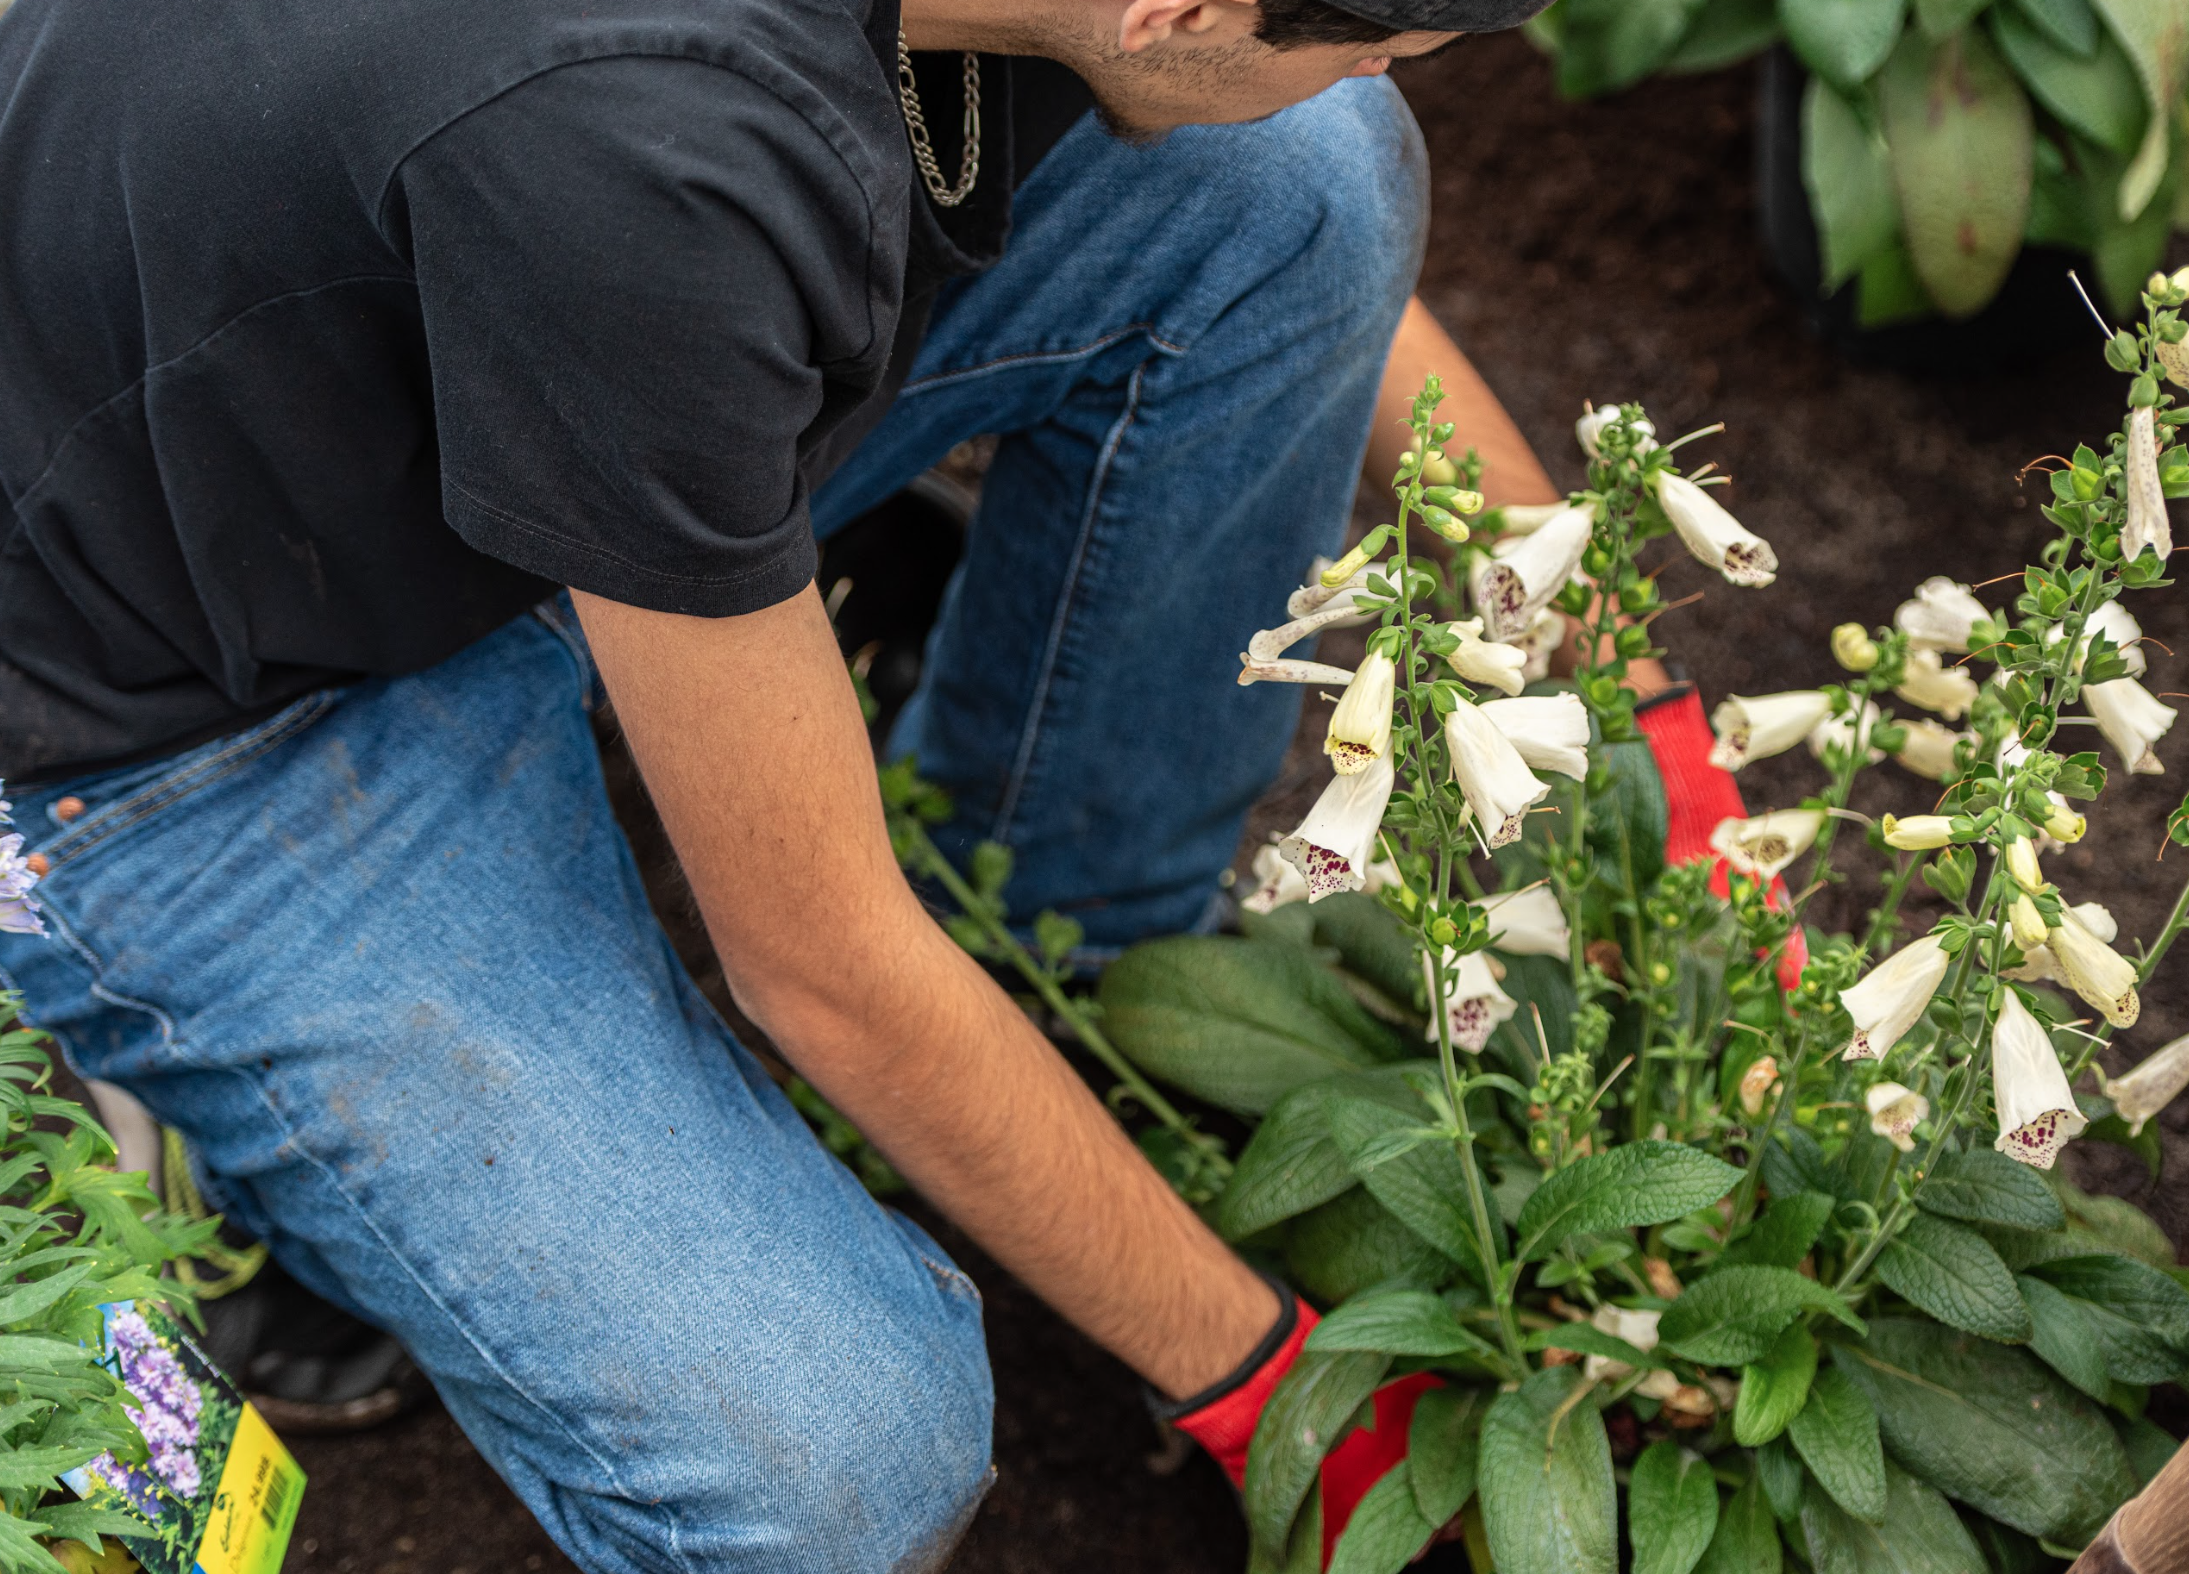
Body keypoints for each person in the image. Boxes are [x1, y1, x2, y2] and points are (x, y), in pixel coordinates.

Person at [0, 0, 1749, 1566]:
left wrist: (1629, 675)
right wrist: (1280, 1393)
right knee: (833, 1471)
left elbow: (1293, 152)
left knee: (1304, 169)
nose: (1382, 63)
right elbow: (821, 968)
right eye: (1376, 30)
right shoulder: (648, 152)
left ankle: (1080, 968)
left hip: (462, 360)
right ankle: (307, 1181)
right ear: (1172, 11)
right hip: (176, 690)